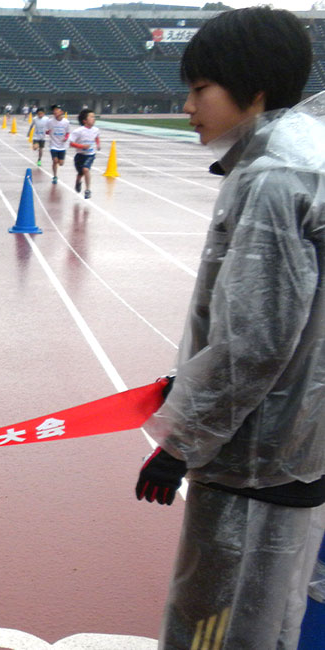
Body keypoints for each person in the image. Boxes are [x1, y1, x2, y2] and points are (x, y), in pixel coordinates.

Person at [134, 7, 325, 649]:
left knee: (218, 627)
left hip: (256, 458)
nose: (187, 105)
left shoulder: (275, 179)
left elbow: (255, 341)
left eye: (199, 89)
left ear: (254, 88)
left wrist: (180, 442)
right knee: (275, 619)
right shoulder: (301, 157)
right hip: (299, 444)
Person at [67, 108, 99, 198]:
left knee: (86, 170)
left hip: (90, 155)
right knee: (80, 173)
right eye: (91, 117)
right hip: (79, 156)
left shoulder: (96, 130)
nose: (94, 119)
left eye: (94, 117)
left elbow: (96, 137)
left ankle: (88, 190)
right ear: (84, 121)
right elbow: (70, 143)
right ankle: (78, 182)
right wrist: (82, 146)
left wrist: (98, 144)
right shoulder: (78, 131)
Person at [45, 104, 69, 184]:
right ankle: (55, 176)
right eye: (54, 110)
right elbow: (46, 130)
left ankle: (59, 162)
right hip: (53, 145)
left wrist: (65, 138)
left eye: (57, 110)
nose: (55, 111)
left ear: (61, 112)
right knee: (55, 161)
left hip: (62, 146)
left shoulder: (66, 122)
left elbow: (68, 133)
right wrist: (47, 132)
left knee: (61, 163)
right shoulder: (50, 121)